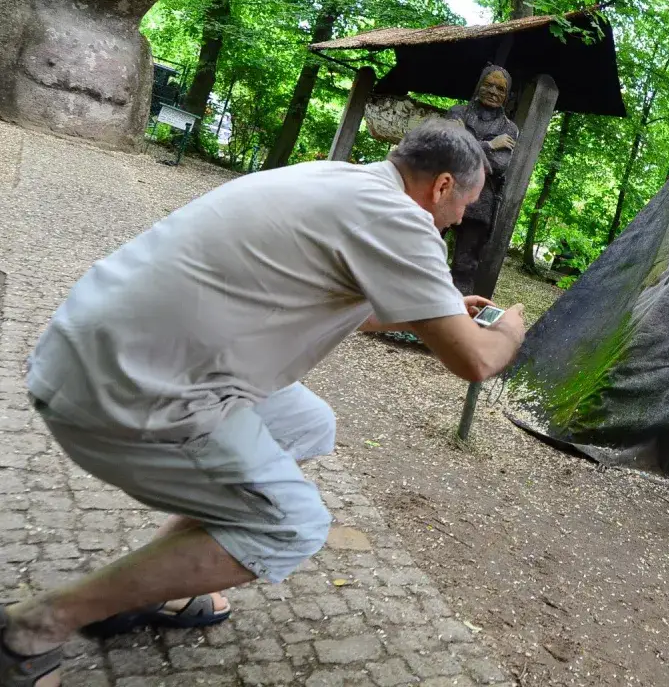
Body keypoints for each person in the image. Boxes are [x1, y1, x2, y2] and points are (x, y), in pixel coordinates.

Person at [0, 122, 526, 687]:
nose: (461, 220)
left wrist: (437, 311)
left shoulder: (337, 179)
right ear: (442, 186)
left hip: (94, 350)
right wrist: (513, 332)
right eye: (466, 205)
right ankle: (35, 628)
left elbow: (358, 307)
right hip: (130, 390)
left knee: (306, 424)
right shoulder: (401, 219)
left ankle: (145, 586)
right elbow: (475, 362)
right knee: (291, 527)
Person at [446, 65, 519, 295]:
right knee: (422, 253)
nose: (493, 91)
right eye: (488, 84)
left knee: (464, 267)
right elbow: (448, 151)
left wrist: (466, 140)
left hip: (480, 203)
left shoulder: (509, 128)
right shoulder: (457, 112)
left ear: (507, 95)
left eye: (500, 88)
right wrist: (489, 144)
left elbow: (498, 165)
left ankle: (456, 318)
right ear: (480, 85)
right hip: (445, 193)